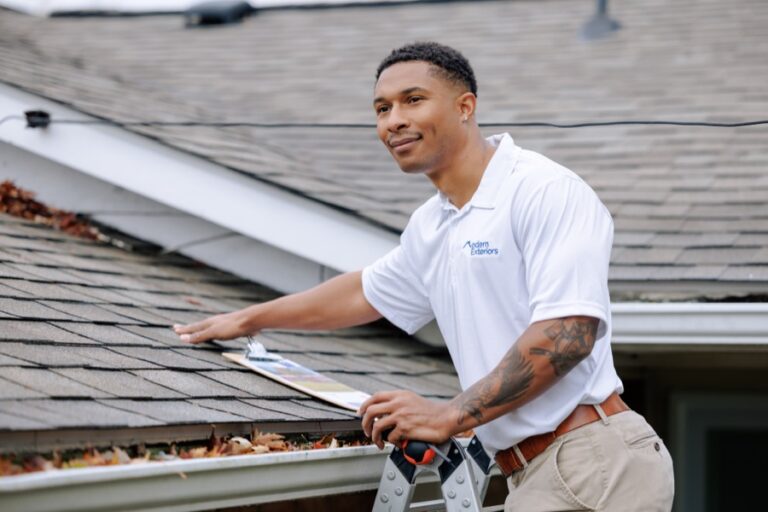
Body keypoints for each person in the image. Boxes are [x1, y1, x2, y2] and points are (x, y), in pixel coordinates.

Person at [174, 41, 674, 511]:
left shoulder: (542, 191)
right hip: (533, 468)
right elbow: (362, 293)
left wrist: (448, 415)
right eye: (382, 108)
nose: (395, 120)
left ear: (465, 106)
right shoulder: (435, 224)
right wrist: (249, 320)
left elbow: (568, 336)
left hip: (593, 461)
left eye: (413, 100)